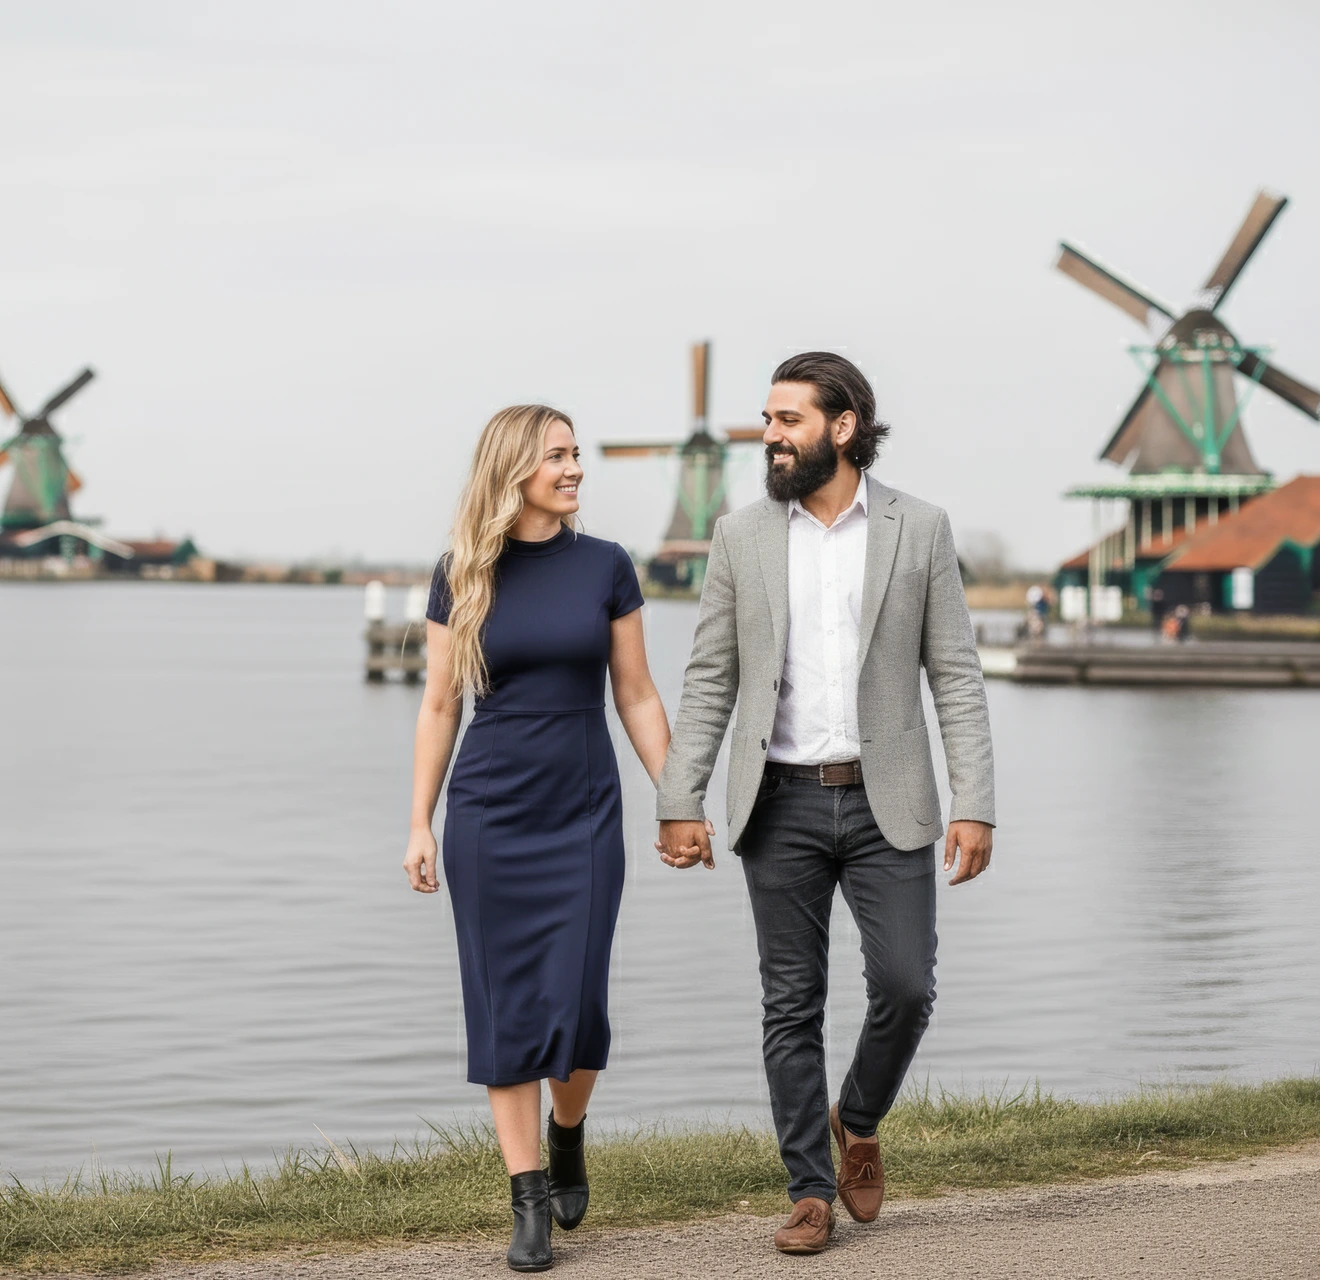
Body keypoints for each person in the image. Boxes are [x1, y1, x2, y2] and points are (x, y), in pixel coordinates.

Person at [653, 352, 996, 1256]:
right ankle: (809, 1191)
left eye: (787, 419)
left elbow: (955, 674)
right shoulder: (740, 536)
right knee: (789, 1005)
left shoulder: (919, 528)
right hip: (778, 804)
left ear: (842, 427)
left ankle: (861, 1113)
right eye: (767, 420)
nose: (769, 435)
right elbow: (709, 678)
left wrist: (977, 801)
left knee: (905, 986)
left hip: (892, 804)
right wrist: (678, 796)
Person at [404, 405, 673, 1272]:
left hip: (585, 809)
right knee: (504, 1005)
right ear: (515, 468)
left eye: (576, 453)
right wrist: (419, 822)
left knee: (579, 1006)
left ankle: (569, 1128)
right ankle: (527, 1202)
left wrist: (679, 796)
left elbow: (634, 694)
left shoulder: (606, 566)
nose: (576, 468)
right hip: (487, 814)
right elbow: (440, 704)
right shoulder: (462, 572)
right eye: (558, 455)